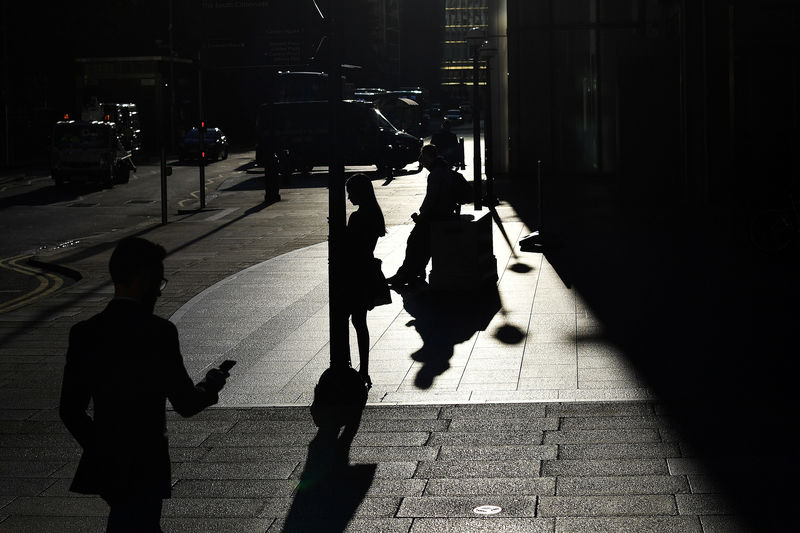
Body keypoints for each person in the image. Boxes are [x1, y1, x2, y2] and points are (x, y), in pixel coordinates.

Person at [59, 237, 229, 533]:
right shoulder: (158, 332)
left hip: (108, 467)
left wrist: (104, 449)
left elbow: (70, 410)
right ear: (142, 280)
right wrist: (211, 386)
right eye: (158, 283)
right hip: (147, 463)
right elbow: (186, 403)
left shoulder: (85, 333)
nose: (159, 293)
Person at [386, 144, 460, 287]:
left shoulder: (436, 174)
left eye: (423, 158)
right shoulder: (444, 168)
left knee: (414, 240)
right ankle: (415, 270)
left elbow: (431, 199)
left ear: (428, 157)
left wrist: (421, 215)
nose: (422, 162)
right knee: (423, 243)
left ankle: (406, 273)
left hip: (436, 215)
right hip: (445, 213)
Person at [344, 173, 389, 389]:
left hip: (353, 273)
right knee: (360, 322)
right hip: (367, 272)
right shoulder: (374, 214)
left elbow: (347, 247)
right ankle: (364, 369)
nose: (349, 197)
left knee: (344, 318)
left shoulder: (357, 217)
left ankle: (346, 364)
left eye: (350, 193)